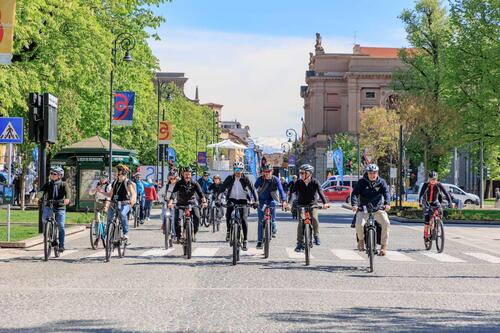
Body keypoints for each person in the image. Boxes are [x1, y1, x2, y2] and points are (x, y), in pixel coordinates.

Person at [351, 164, 391, 256]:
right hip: (364, 208)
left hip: (378, 208)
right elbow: (354, 194)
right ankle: (361, 241)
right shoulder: (361, 182)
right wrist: (354, 205)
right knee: (359, 223)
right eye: (370, 173)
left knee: (386, 222)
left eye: (375, 173)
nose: (373, 174)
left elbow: (386, 193)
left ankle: (384, 246)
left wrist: (387, 204)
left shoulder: (382, 182)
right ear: (367, 173)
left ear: (377, 173)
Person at [288, 164, 328, 252]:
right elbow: (293, 194)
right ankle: (299, 243)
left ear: (309, 173)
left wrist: (325, 203)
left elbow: (321, 192)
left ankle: (316, 236)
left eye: (302, 173)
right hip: (301, 205)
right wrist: (289, 204)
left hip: (312, 204)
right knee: (301, 222)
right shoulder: (298, 182)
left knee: (314, 218)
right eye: (300, 173)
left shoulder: (315, 182)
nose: (301, 175)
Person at [220, 161, 258, 251]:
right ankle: (229, 231)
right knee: (228, 214)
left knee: (244, 219)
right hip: (232, 199)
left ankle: (245, 240)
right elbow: (222, 188)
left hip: (243, 200)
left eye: (240, 170)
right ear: (234, 170)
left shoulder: (246, 178)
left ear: (242, 170)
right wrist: (218, 199)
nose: (238, 171)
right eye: (236, 169)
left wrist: (256, 201)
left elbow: (253, 189)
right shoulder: (230, 178)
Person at [36, 166, 71, 252]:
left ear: (59, 175)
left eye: (54, 174)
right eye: (51, 173)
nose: (51, 175)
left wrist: (67, 199)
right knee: (44, 219)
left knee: (61, 225)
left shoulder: (64, 184)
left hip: (60, 207)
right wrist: (37, 197)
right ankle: (50, 235)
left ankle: (61, 245)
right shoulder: (48, 184)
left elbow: (68, 193)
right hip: (49, 205)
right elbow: (42, 191)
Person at [167, 167, 207, 242]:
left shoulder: (194, 183)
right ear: (183, 174)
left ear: (191, 175)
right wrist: (170, 202)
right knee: (177, 220)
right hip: (180, 204)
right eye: (186, 174)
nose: (187, 176)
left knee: (197, 217)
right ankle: (179, 236)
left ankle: (194, 233)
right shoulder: (179, 183)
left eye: (189, 174)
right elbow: (174, 193)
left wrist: (204, 202)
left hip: (192, 204)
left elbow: (200, 193)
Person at [254, 163, 287, 249]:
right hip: (261, 201)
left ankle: (273, 224)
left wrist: (283, 200)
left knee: (273, 212)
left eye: (268, 171)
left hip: (271, 200)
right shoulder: (260, 179)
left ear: (272, 171)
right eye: (265, 171)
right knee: (260, 221)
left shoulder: (276, 179)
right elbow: (253, 189)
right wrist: (251, 199)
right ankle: (259, 241)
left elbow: (281, 190)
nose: (267, 173)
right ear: (263, 172)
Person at [102, 164, 136, 241]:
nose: (115, 173)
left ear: (121, 173)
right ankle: (108, 235)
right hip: (114, 203)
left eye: (117, 172)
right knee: (110, 219)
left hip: (125, 203)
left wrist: (132, 201)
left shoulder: (127, 182)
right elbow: (110, 195)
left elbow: (133, 193)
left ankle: (125, 233)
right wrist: (101, 193)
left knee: (122, 214)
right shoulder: (114, 182)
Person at [418, 171, 454, 240]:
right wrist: (419, 202)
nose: (433, 181)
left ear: (437, 179)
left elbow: (446, 193)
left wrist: (450, 202)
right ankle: (426, 235)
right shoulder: (426, 185)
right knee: (427, 220)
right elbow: (421, 194)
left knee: (440, 211)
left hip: (435, 202)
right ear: (429, 179)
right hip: (427, 202)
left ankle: (437, 225)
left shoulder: (439, 185)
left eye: (434, 179)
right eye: (432, 179)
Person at [161, 170, 179, 241]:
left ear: (176, 178)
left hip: (176, 204)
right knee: (164, 213)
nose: (172, 180)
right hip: (167, 203)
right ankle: (164, 224)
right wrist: (163, 200)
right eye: (170, 178)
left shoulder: (179, 186)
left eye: (174, 178)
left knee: (175, 219)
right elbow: (159, 194)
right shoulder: (166, 186)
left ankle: (175, 234)